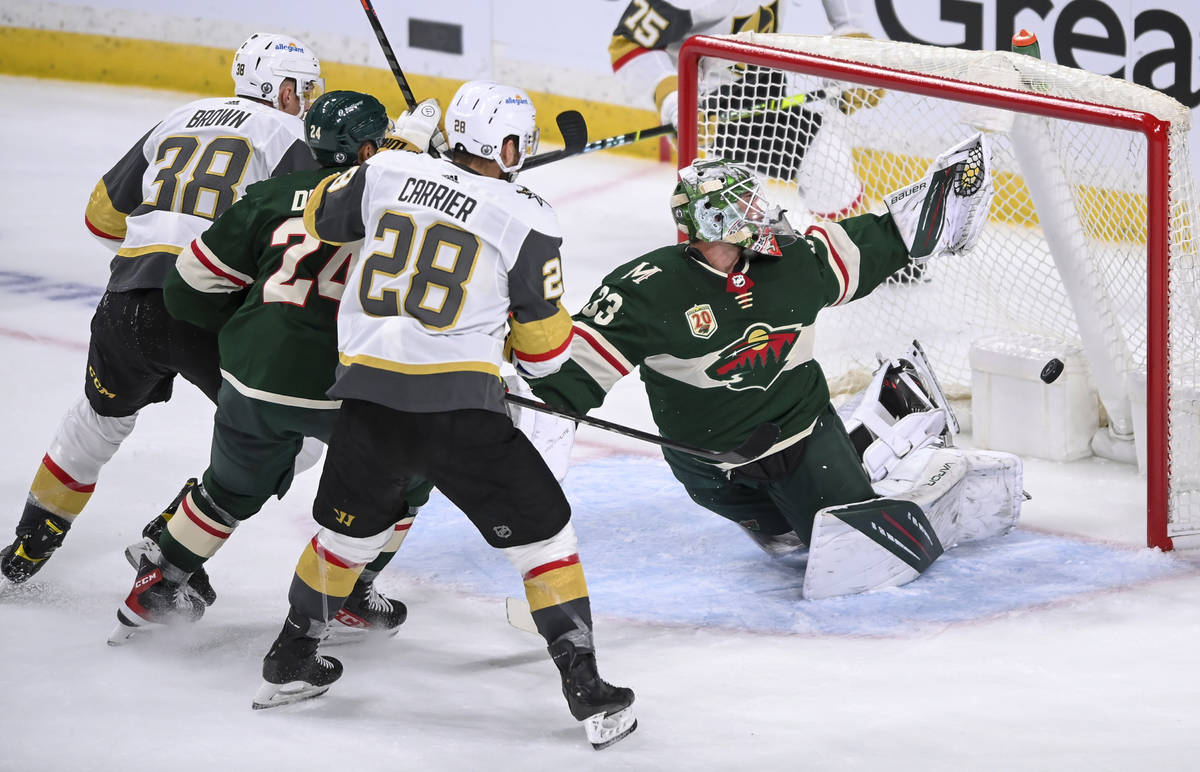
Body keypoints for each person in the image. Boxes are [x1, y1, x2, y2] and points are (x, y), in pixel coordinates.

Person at [249, 80, 637, 751]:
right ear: (506, 145)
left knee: (345, 541)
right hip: (461, 411)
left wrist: (401, 149)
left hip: (369, 405)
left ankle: (289, 660)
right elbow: (546, 357)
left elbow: (317, 216)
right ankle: (587, 687)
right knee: (544, 543)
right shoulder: (529, 217)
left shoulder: (385, 171)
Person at [525, 140, 1016, 598]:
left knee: (850, 544)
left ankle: (881, 442)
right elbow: (571, 374)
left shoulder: (792, 262)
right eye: (748, 206)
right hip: (708, 466)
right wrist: (526, 415)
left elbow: (874, 242)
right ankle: (864, 445)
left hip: (802, 438)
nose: (764, 214)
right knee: (786, 540)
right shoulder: (648, 291)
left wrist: (934, 208)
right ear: (716, 221)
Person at [106, 90, 440, 644]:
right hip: (340, 389)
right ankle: (354, 590)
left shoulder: (267, 196)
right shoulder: (398, 211)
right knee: (417, 466)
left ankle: (157, 585)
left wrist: (245, 334)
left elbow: (186, 286)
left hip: (250, 379)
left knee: (227, 490)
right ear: (365, 150)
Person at [0, 32, 324, 586]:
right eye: (307, 89)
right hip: (212, 310)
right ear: (283, 88)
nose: (310, 101)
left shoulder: (179, 117)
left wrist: (151, 258)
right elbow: (323, 231)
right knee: (294, 435)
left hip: (126, 302)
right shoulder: (290, 133)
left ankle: (26, 548)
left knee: (96, 420)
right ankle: (169, 541)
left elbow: (102, 216)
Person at [608, 0, 883, 220]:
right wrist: (677, 104)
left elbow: (848, 24)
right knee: (820, 161)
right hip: (713, 103)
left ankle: (860, 250)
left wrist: (850, 35)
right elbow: (628, 44)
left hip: (763, 82)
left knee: (825, 162)